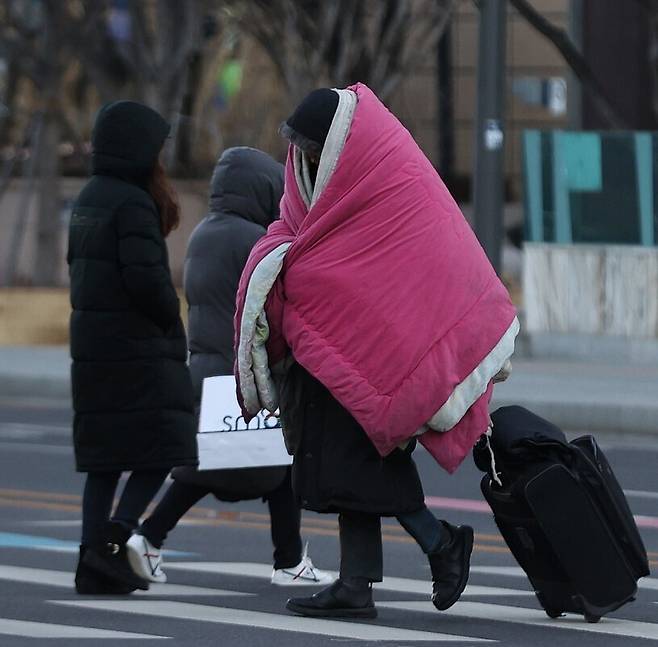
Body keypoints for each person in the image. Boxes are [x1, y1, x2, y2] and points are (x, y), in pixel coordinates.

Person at [233, 86, 518, 618]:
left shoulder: (388, 180)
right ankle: (359, 583)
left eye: (315, 148)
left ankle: (439, 547)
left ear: (339, 143)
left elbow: (388, 264)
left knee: (364, 465)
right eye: (301, 150)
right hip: (327, 355)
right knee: (344, 470)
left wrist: (307, 277)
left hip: (371, 355)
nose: (307, 159)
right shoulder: (315, 174)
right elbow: (302, 233)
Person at [125, 147, 332, 587]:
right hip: (243, 374)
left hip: (206, 368)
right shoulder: (252, 240)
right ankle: (286, 561)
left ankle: (284, 558)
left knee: (229, 464)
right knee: (267, 461)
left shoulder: (204, 233)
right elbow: (276, 304)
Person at [67, 101, 198, 594]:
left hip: (95, 349)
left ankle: (90, 560)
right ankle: (115, 541)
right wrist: (171, 314)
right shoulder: (132, 203)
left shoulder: (89, 198)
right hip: (137, 350)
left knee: (104, 463)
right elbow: (147, 283)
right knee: (163, 448)